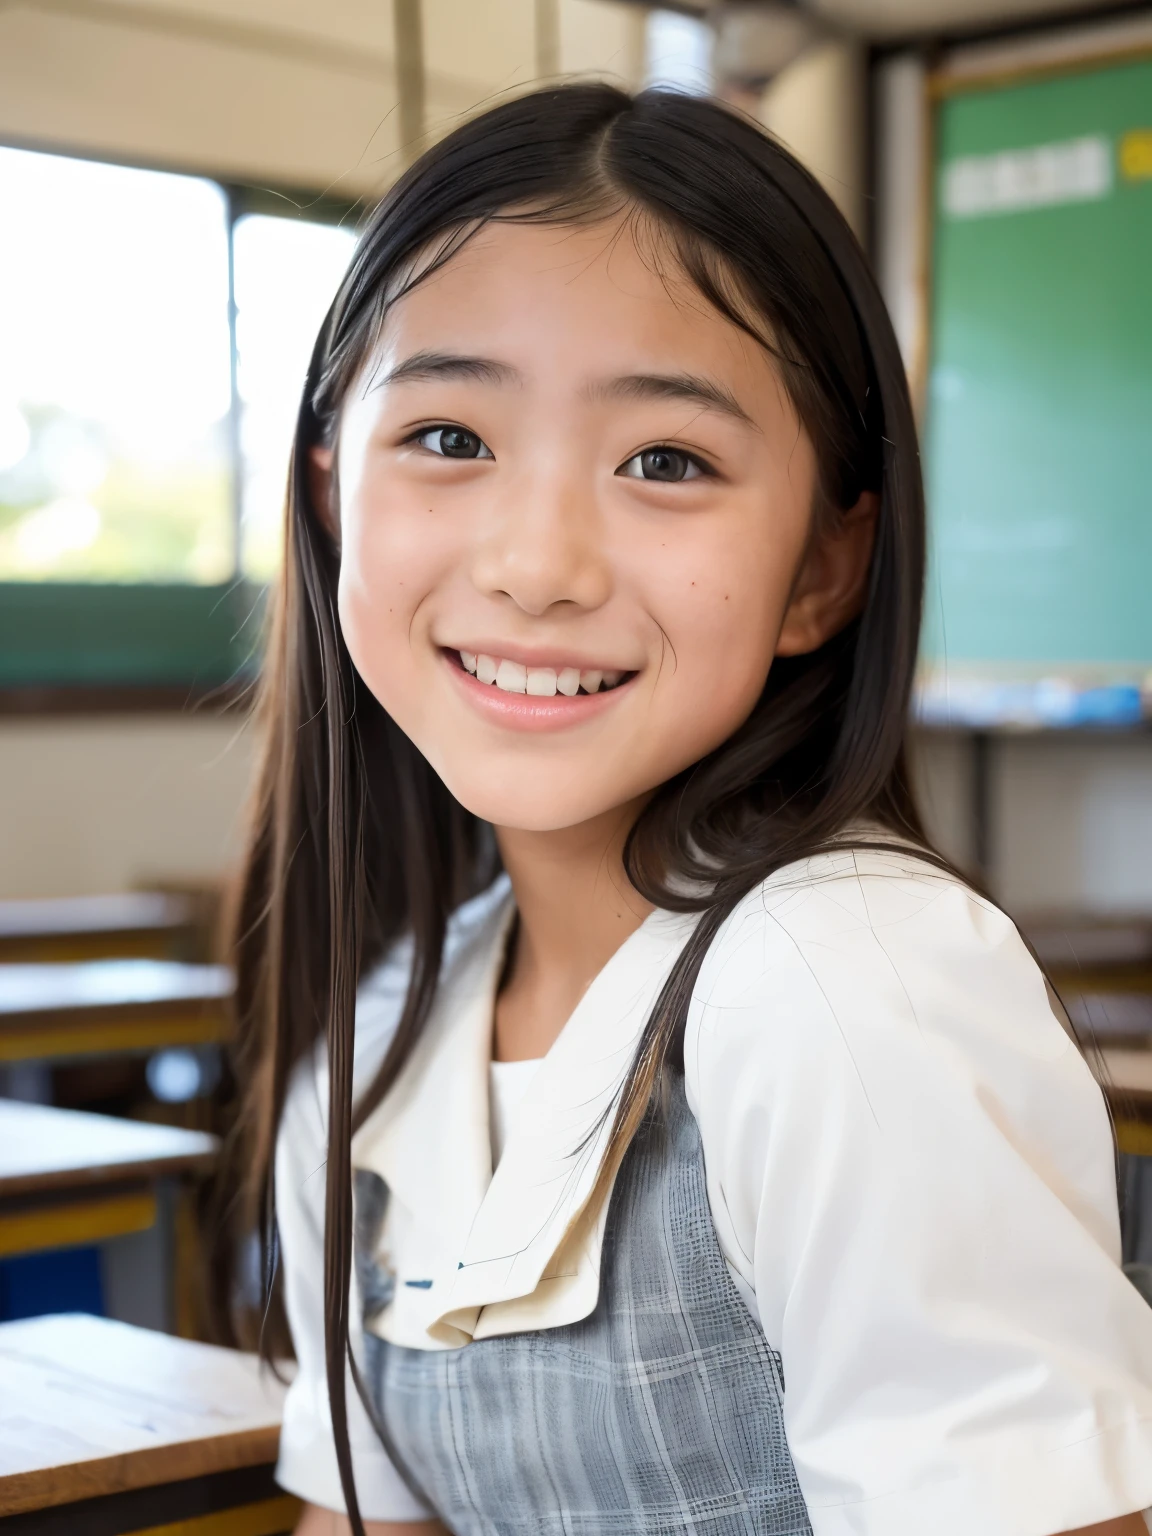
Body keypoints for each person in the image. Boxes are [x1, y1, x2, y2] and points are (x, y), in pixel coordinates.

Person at [215, 85, 1152, 1536]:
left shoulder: (843, 985)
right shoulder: (390, 1022)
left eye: (667, 462)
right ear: (333, 491)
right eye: (452, 438)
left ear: (826, 571)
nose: (537, 563)